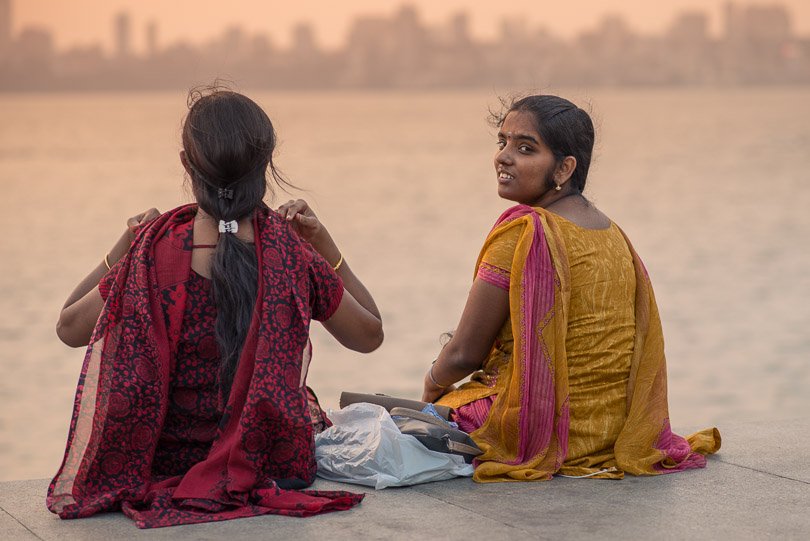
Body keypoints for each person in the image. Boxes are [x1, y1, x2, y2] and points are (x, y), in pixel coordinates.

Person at [48, 88, 383, 528]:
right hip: (271, 460)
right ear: (265, 165)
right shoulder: (289, 252)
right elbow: (369, 335)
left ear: (187, 163)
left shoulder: (153, 250)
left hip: (168, 463)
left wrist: (124, 244)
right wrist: (324, 244)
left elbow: (69, 328)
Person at [422, 95, 720, 482]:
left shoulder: (524, 232)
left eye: (525, 148)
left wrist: (431, 384)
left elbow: (463, 355)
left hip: (544, 431)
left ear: (564, 168)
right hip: (613, 431)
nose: (504, 157)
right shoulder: (613, 234)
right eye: (503, 143)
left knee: (398, 418)